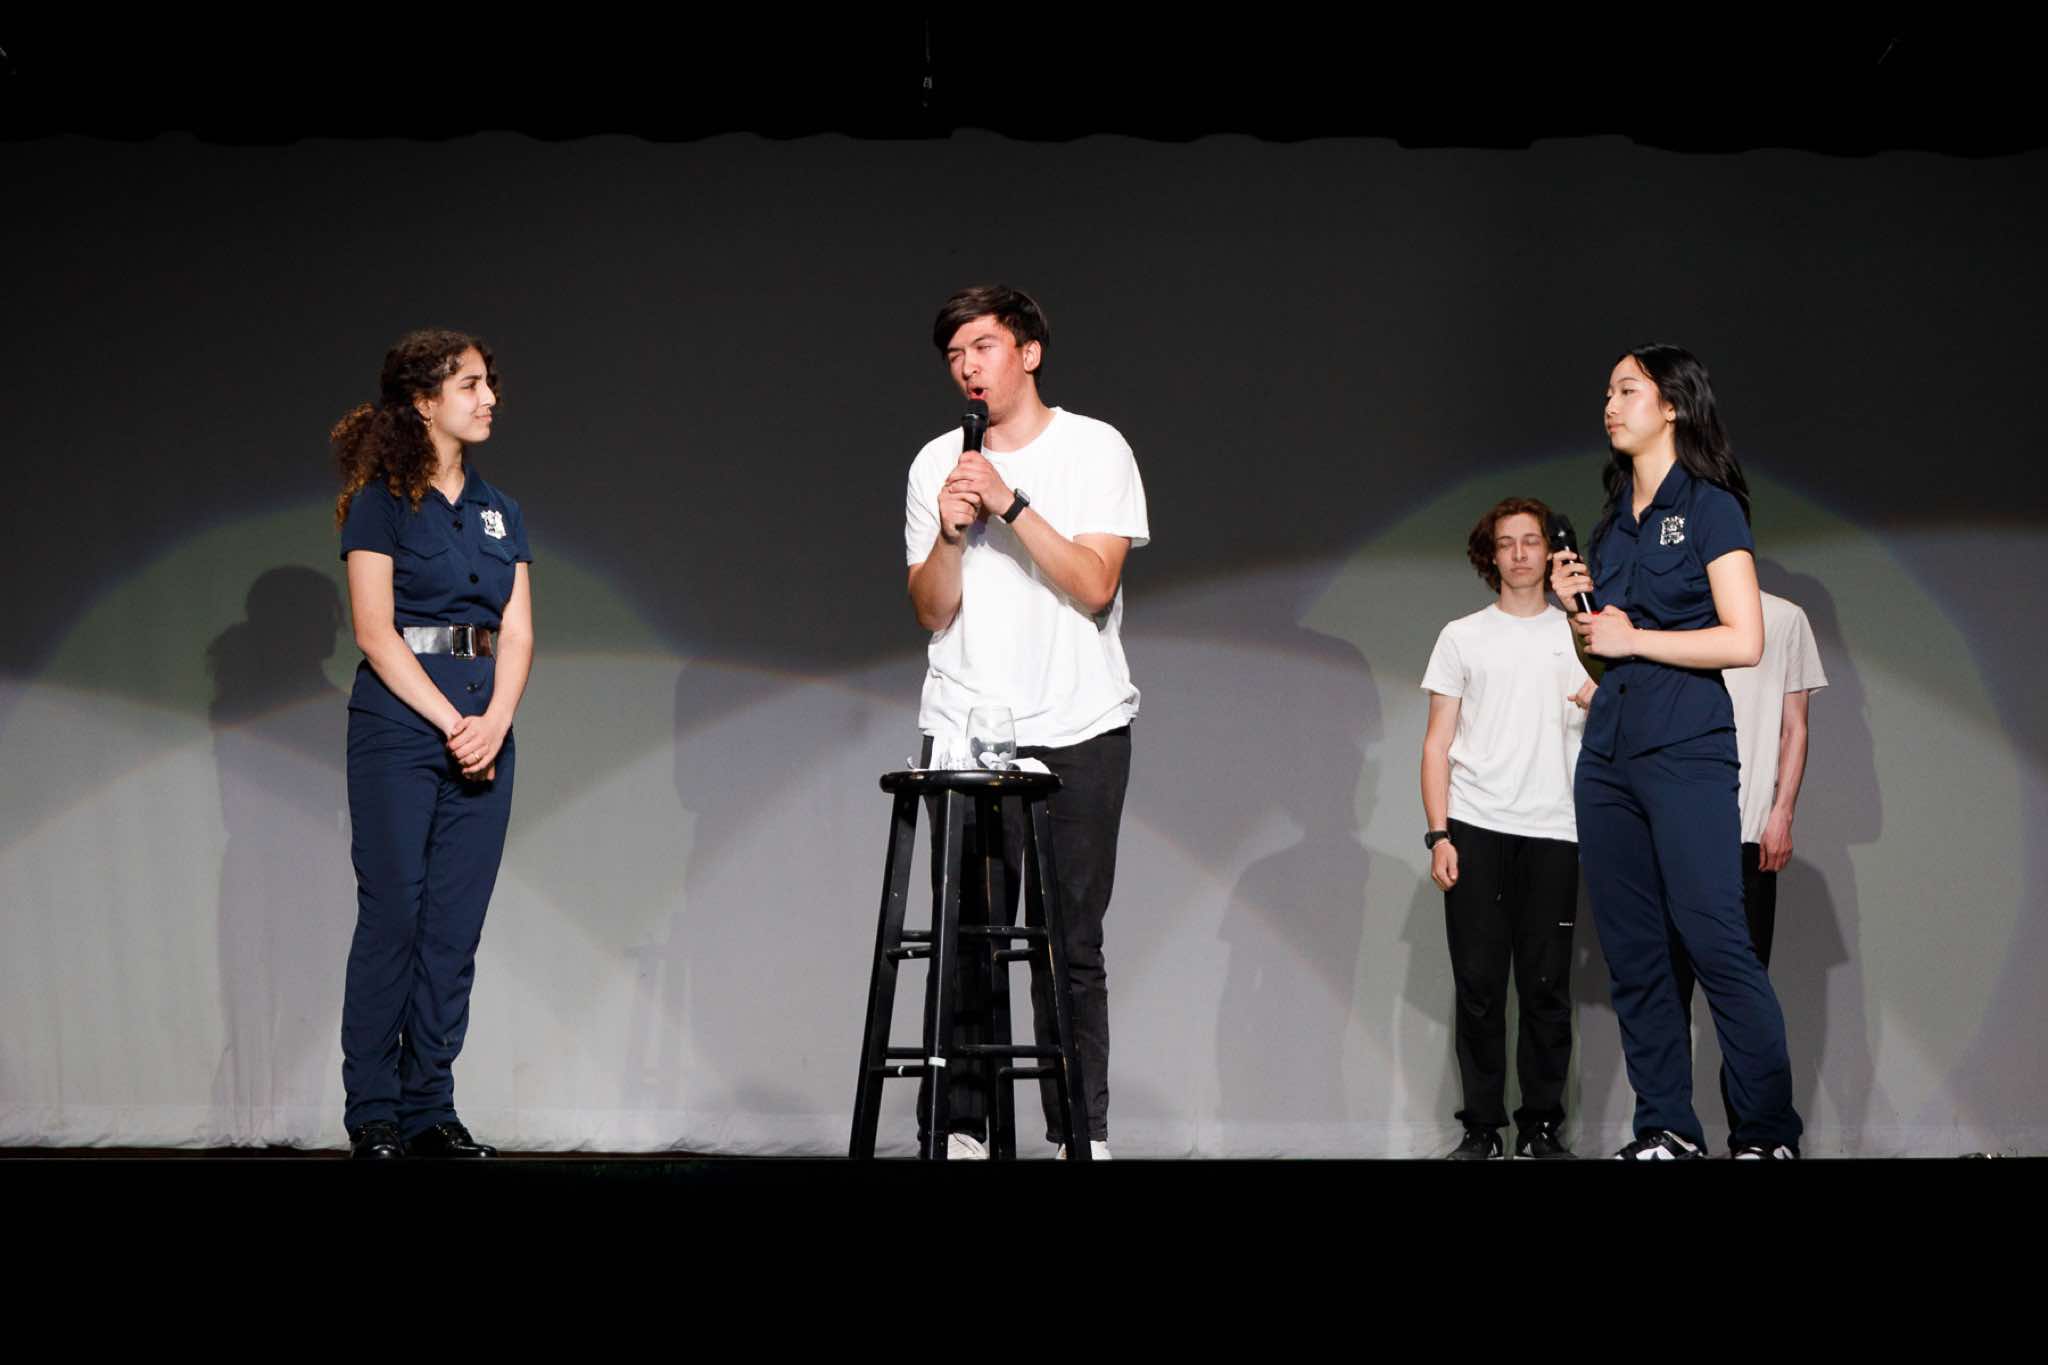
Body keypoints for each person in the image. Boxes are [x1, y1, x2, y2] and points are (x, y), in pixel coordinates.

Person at [903, 285, 1149, 1159]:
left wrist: (1009, 503)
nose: (968, 368)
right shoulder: (936, 461)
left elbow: (1095, 584)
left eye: (983, 347)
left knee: (1070, 944)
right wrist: (948, 534)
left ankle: (1079, 1134)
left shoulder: (1096, 446)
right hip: (967, 727)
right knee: (969, 940)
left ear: (1029, 351)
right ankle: (962, 1128)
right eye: (954, 355)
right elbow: (932, 610)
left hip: (1079, 725)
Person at [1551, 343, 1802, 1160]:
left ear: (1672, 406)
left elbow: (1745, 638)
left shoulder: (1710, 506)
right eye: (1607, 391)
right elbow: (1609, 655)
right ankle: (1666, 1127)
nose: (1609, 404)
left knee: (1715, 939)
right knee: (1635, 955)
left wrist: (1635, 637)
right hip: (1609, 757)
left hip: (1687, 747)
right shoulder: (1609, 520)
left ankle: (1767, 1134)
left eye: (1626, 389)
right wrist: (1579, 618)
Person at [332, 329, 534, 1160]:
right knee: (395, 917)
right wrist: (451, 722)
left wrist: (495, 720)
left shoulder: (501, 509)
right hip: (400, 731)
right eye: (471, 385)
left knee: (453, 931)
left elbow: (517, 631)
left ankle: (429, 1109)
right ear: (423, 401)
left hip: (486, 734)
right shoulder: (380, 502)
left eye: (489, 383)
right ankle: (374, 1110)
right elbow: (375, 631)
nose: (489, 398)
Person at [1421, 496, 1594, 1160]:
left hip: (1556, 827)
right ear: (1489, 555)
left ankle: (1541, 1127)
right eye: (1507, 542)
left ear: (1551, 551)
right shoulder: (1462, 636)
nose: (1520, 553)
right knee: (1479, 986)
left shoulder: (1584, 632)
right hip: (1477, 824)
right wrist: (1439, 834)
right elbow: (1437, 743)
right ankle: (1482, 1129)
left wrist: (1602, 691)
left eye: (1531, 541)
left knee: (1547, 988)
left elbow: (1622, 720)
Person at [1670, 590, 1827, 1144]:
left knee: (1744, 994)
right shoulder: (1668, 613)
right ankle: (1672, 1133)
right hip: (1672, 834)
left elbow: (1794, 726)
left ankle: (1758, 1136)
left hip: (1746, 831)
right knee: (1665, 992)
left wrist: (1781, 813)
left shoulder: (1783, 617)